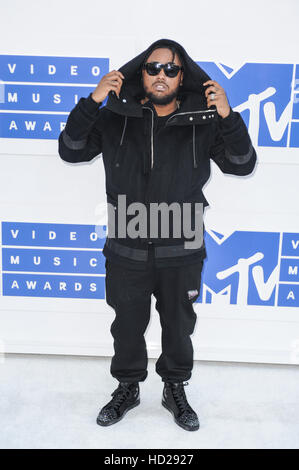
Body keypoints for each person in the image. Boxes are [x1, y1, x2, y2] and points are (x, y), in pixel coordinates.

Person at [58, 38, 257, 432]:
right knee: (127, 325)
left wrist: (227, 114)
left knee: (179, 328)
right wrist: (93, 101)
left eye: (170, 69)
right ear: (141, 73)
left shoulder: (205, 120)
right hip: (126, 247)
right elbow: (71, 148)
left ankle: (174, 388)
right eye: (153, 68)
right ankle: (127, 387)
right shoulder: (115, 117)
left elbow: (242, 163)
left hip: (181, 248)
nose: (161, 75)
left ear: (182, 77)